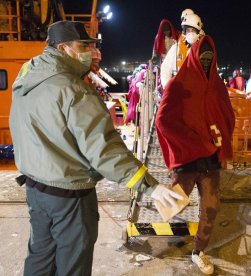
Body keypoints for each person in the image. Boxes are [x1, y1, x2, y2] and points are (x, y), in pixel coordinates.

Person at [9, 21, 183, 275]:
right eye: (83, 46)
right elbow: (105, 151)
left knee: (40, 255)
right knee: (73, 262)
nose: (92, 53)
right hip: (69, 196)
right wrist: (149, 186)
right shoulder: (75, 90)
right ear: (63, 48)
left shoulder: (28, 76)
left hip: (35, 187)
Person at [155, 35, 235, 274]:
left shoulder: (217, 84)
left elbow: (227, 116)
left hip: (210, 159)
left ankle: (199, 250)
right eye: (203, 57)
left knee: (211, 206)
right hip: (188, 158)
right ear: (195, 56)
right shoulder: (179, 83)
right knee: (175, 204)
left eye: (211, 58)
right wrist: (188, 142)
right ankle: (158, 207)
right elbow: (163, 120)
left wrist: (221, 141)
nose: (207, 61)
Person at [160, 12, 203, 88]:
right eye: (188, 30)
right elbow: (165, 68)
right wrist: (168, 87)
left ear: (198, 32)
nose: (191, 33)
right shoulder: (176, 48)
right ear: (184, 31)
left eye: (193, 30)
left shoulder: (204, 48)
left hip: (199, 91)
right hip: (180, 91)